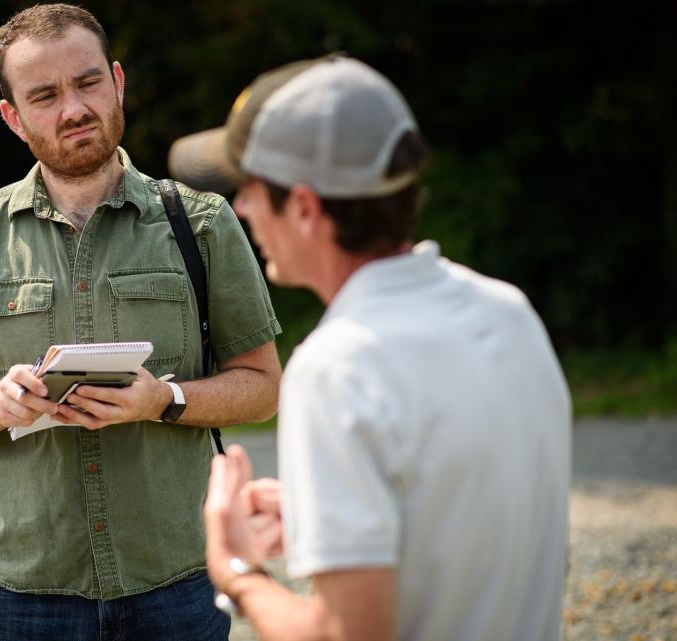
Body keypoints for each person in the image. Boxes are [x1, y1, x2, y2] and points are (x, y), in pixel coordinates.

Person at [0, 4, 282, 640]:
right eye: (44, 95)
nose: (74, 108)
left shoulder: (204, 222)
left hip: (178, 584)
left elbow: (264, 385)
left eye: (87, 82)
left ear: (118, 81)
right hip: (26, 594)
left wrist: (165, 399)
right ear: (13, 119)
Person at [169, 54, 572, 641]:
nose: (244, 207)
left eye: (251, 188)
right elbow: (502, 527)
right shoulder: (508, 311)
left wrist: (237, 571)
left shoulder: (337, 367)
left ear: (305, 208)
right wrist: (318, 516)